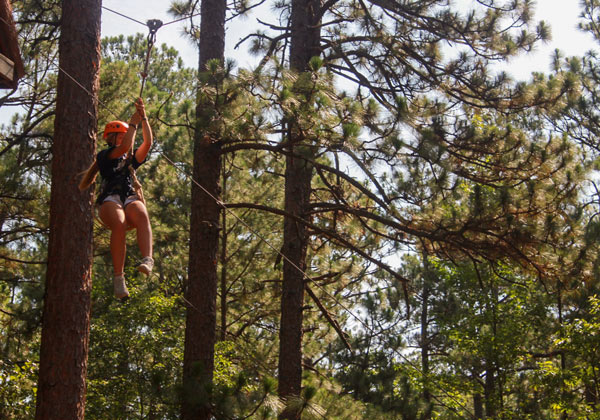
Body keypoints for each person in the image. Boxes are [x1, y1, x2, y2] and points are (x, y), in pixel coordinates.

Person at [79, 98, 154, 300]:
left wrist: (144, 117)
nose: (124, 140)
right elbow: (125, 146)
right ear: (111, 139)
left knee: (142, 214)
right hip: (110, 199)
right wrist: (133, 123)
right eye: (120, 136)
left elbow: (147, 143)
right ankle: (119, 278)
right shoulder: (105, 155)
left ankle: (148, 259)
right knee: (119, 224)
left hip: (128, 197)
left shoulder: (130, 161)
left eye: (124, 136)